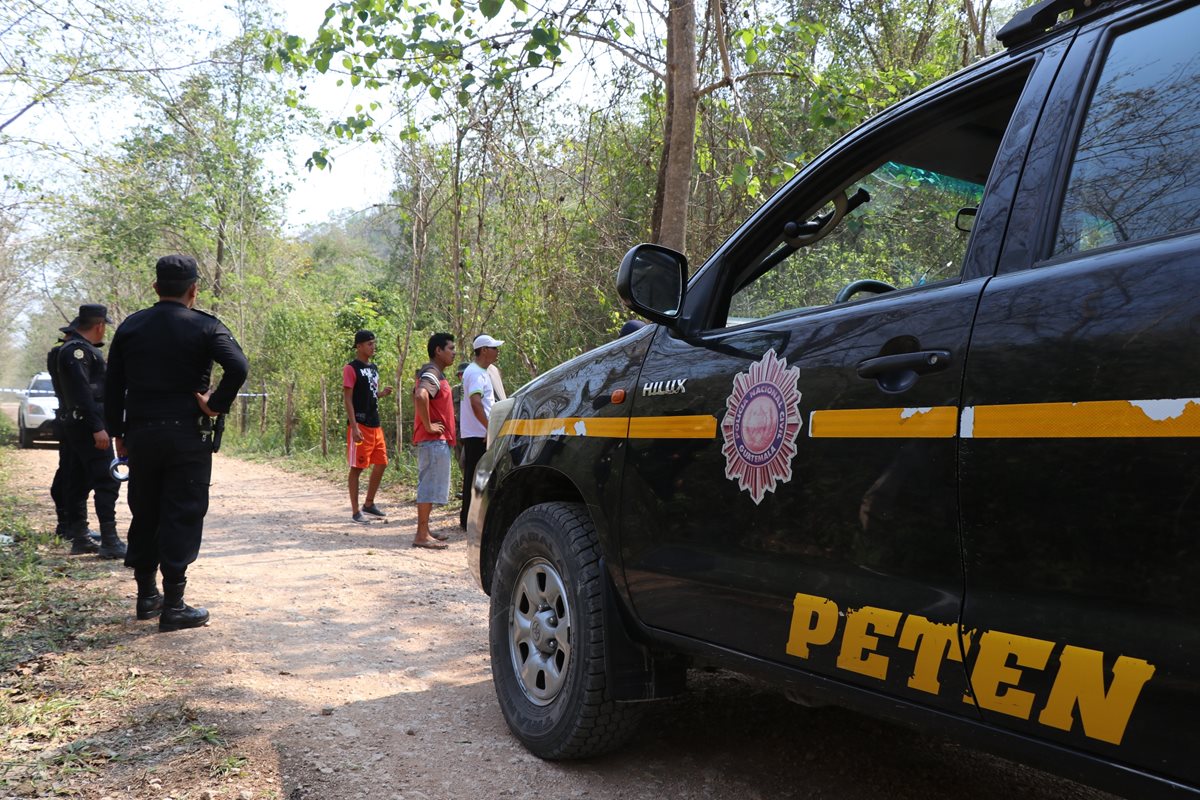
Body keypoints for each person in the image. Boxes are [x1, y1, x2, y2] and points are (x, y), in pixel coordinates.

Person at [105, 254, 249, 632]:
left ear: (155, 287)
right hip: (188, 436)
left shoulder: (130, 327)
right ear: (193, 289)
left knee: (146, 510)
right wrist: (216, 405)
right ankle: (174, 606)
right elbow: (239, 367)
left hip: (141, 435)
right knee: (182, 512)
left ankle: (146, 596)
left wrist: (119, 434)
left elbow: (112, 385)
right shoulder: (206, 327)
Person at [57, 304, 125, 559]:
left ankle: (80, 536)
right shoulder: (77, 351)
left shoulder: (76, 349)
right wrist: (98, 427)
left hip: (79, 424)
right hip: (88, 425)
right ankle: (109, 541)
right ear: (99, 325)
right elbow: (81, 392)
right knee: (106, 480)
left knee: (78, 478)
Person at [47, 326, 95, 547]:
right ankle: (69, 525)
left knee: (72, 472)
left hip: (70, 420)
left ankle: (72, 526)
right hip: (73, 420)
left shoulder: (63, 353)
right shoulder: (66, 353)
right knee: (71, 474)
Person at [411, 332, 456, 549]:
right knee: (428, 485)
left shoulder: (435, 373)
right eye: (450, 348)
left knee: (430, 484)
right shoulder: (432, 373)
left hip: (435, 441)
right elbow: (420, 396)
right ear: (438, 351)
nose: (454, 353)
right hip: (433, 440)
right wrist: (429, 426)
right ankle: (421, 535)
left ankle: (425, 529)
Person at [344, 329, 394, 523]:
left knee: (382, 462)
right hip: (360, 423)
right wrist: (354, 426)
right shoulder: (351, 368)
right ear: (359, 346)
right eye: (369, 344)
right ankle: (356, 511)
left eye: (374, 343)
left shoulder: (373, 368)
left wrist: (381, 394)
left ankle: (369, 503)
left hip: (375, 423)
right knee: (357, 467)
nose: (373, 347)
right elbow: (348, 399)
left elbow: (369, 393)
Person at [459, 334, 503, 530]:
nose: (497, 351)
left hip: (479, 432)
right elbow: (476, 403)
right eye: (494, 347)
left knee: (477, 477)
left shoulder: (482, 371)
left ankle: (471, 520)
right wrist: (489, 427)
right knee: (477, 478)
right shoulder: (476, 373)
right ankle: (469, 521)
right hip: (479, 435)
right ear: (484, 350)